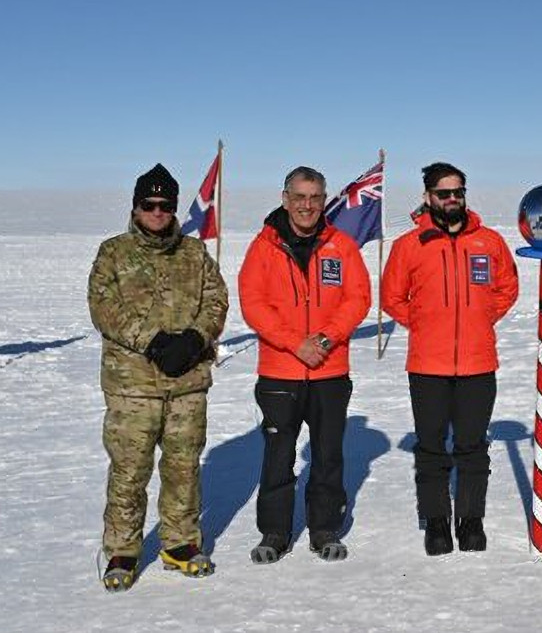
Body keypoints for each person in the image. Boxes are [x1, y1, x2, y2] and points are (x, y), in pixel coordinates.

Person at [88, 163, 229, 592]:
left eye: (165, 205)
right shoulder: (113, 252)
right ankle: (122, 550)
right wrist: (152, 342)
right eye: (149, 204)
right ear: (135, 208)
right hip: (133, 387)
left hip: (186, 384)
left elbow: (217, 299)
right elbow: (103, 307)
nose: (157, 212)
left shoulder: (194, 253)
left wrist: (195, 337)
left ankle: (180, 544)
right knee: (130, 470)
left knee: (184, 468)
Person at [381, 162, 519, 556]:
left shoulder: (488, 242)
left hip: (478, 363)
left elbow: (507, 287)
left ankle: (471, 519)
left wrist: (480, 317)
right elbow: (392, 298)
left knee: (473, 446)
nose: (452, 199)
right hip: (428, 366)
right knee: (431, 447)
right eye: (444, 193)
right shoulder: (409, 246)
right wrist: (425, 323)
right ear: (428, 197)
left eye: (458, 192)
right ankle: (437, 521)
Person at [238, 166, 370, 564]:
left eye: (314, 198)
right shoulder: (263, 247)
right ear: (285, 199)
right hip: (280, 372)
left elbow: (357, 298)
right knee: (279, 454)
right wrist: (295, 344)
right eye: (299, 197)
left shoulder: (341, 246)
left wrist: (325, 340)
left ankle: (324, 528)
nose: (307, 206)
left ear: (323, 199)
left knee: (328, 454)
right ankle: (275, 532)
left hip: (329, 371)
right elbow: (254, 304)